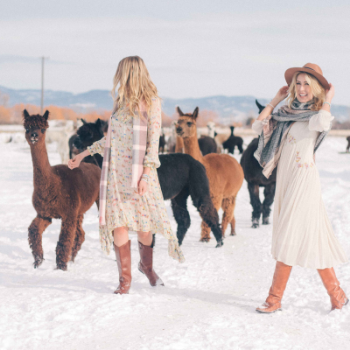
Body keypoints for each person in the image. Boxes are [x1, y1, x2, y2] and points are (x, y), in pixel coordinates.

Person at [68, 56, 184, 294]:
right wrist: (83, 155)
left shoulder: (151, 102)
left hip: (140, 173)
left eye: (122, 72)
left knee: (144, 227)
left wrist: (146, 174)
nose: (119, 77)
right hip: (115, 176)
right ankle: (125, 281)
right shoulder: (120, 103)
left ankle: (146, 267)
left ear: (131, 74)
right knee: (118, 226)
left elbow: (154, 141)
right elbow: (111, 140)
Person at [252, 63, 348, 313]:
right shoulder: (285, 113)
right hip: (286, 179)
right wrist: (275, 100)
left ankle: (274, 299)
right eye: (299, 83)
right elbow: (256, 128)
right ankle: (337, 295)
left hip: (304, 181)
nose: (302, 88)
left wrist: (327, 98)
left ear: (315, 88)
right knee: (311, 238)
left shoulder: (317, 115)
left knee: (288, 236)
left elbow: (325, 122)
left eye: (307, 83)